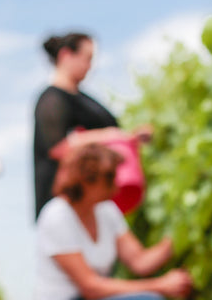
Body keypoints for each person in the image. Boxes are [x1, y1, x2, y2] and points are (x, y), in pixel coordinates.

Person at [34, 143, 192, 300]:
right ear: (88, 181)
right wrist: (160, 286)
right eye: (110, 178)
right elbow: (91, 287)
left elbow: (140, 261)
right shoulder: (56, 216)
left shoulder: (106, 211)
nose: (117, 184)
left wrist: (181, 237)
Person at [33, 32, 152, 219]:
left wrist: (128, 137)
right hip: (70, 204)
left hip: (96, 202)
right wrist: (108, 136)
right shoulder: (51, 100)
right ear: (66, 55)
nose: (90, 66)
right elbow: (58, 148)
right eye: (87, 58)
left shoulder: (84, 100)